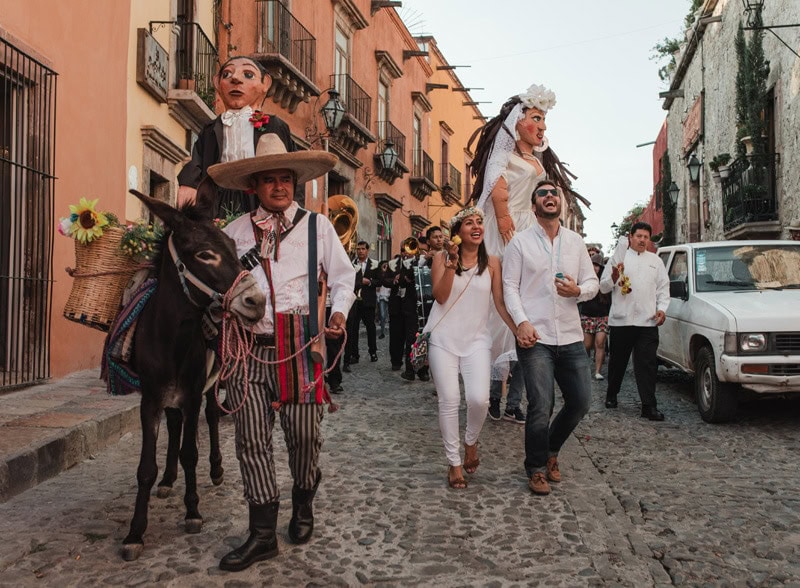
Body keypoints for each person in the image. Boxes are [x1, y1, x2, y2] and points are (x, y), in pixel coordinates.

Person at [207, 133, 355, 571]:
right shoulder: (234, 232)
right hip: (248, 348)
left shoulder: (318, 227)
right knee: (251, 439)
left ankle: (303, 498)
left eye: (285, 179)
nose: (278, 187)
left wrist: (340, 313)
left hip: (302, 344)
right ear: (254, 186)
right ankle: (261, 533)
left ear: (295, 183)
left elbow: (344, 278)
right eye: (268, 180)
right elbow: (219, 286)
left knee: (304, 438)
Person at [469, 83, 590, 416]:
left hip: (531, 227)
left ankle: (512, 398)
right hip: (509, 231)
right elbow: (496, 184)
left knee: (528, 305)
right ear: (517, 122)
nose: (542, 127)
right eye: (536, 118)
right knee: (504, 304)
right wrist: (505, 217)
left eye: (544, 121)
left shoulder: (537, 161)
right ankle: (494, 395)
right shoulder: (504, 157)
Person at [503, 179, 598, 496]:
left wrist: (578, 291)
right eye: (542, 193)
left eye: (553, 193)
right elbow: (510, 289)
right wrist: (522, 322)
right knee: (541, 404)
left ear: (562, 204)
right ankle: (537, 469)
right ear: (534, 206)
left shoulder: (576, 243)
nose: (549, 196)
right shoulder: (519, 243)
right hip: (536, 337)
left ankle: (551, 449)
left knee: (581, 402)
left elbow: (592, 283)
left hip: (570, 335)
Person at [426, 207, 517, 489]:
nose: (476, 226)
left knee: (479, 399)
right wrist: (452, 263)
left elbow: (500, 304)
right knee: (450, 399)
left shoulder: (492, 263)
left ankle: (471, 442)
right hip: (443, 339)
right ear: (457, 233)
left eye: (479, 222)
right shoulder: (441, 258)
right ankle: (454, 463)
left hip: (477, 340)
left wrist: (518, 329)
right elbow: (440, 297)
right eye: (469, 223)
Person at [177, 56, 295, 216]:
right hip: (219, 196)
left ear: (265, 83)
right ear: (217, 83)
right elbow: (197, 161)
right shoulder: (211, 129)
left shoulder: (274, 125)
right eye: (226, 75)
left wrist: (293, 209)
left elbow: (291, 167)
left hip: (258, 195)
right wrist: (188, 184)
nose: (235, 79)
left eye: (248, 75)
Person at [599, 222, 670, 421]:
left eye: (646, 237)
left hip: (647, 322)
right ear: (630, 237)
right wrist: (613, 276)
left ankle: (649, 406)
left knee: (646, 365)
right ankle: (612, 394)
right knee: (618, 362)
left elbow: (664, 289)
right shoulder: (619, 258)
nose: (642, 240)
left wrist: (662, 310)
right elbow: (603, 287)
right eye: (638, 236)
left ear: (649, 240)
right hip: (622, 320)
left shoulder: (655, 261)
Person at [344, 241, 380, 369]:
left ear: (367, 250)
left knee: (371, 328)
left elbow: (379, 281)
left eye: (363, 249)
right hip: (354, 301)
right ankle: (354, 354)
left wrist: (369, 282)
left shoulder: (374, 264)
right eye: (358, 249)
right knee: (353, 329)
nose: (360, 251)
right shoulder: (351, 264)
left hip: (368, 301)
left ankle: (373, 352)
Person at [580, 253, 612, 380]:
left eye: (597, 266)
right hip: (588, 315)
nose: (595, 268)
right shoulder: (585, 277)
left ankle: (597, 371)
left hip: (603, 316)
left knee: (600, 343)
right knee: (586, 345)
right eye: (593, 265)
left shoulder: (604, 279)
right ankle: (584, 368)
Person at [376, 260, 390, 339]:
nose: (386, 267)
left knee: (389, 315)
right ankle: (382, 332)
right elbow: (378, 287)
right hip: (382, 296)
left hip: (389, 296)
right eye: (384, 266)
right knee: (382, 315)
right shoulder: (379, 275)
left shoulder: (390, 274)